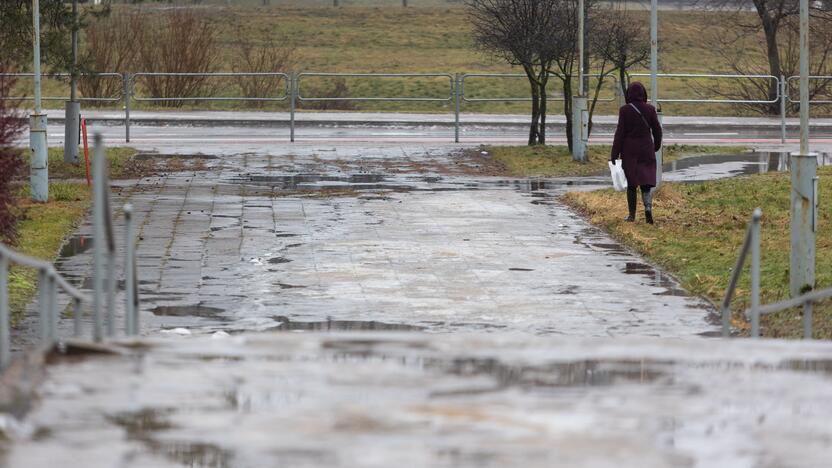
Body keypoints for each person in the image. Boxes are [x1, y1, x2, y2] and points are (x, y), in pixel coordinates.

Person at [610, 81, 663, 224]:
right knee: (646, 183)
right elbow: (657, 130)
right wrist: (656, 146)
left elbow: (620, 133)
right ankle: (647, 209)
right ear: (643, 94)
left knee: (632, 184)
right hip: (646, 149)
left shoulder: (624, 110)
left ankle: (632, 215)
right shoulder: (650, 109)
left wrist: (614, 153)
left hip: (630, 151)